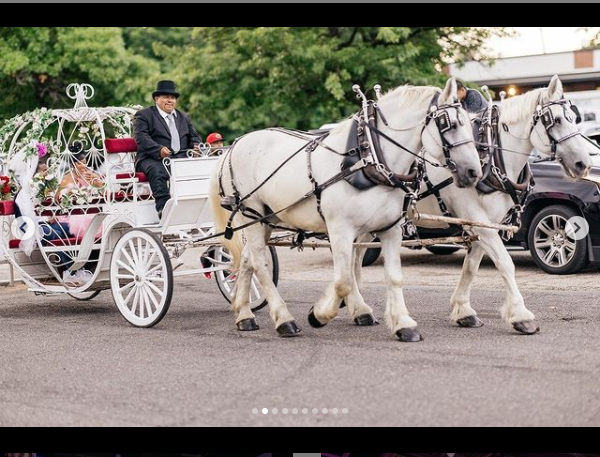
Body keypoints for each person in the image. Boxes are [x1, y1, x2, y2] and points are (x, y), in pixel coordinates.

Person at [134, 80, 202, 217]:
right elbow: (141, 137)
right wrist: (159, 149)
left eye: (173, 98)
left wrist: (196, 146)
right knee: (157, 169)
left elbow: (194, 136)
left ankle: (194, 205)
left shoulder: (184, 117)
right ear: (156, 99)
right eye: (166, 97)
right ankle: (163, 209)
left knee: (197, 169)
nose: (170, 100)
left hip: (180, 157)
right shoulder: (144, 115)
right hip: (151, 158)